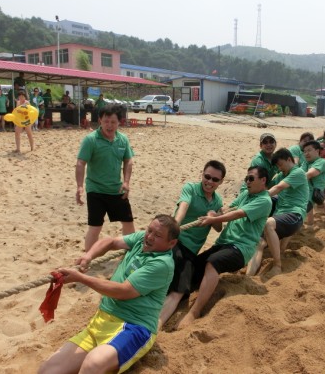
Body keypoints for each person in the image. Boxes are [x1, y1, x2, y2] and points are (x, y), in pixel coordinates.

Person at [38, 215, 179, 374]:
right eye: (149, 230)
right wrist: (89, 255)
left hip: (133, 326)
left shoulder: (162, 264)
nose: (150, 237)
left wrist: (81, 278)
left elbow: (123, 291)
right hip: (102, 320)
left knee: (93, 364)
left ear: (172, 243)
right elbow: (111, 242)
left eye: (158, 235)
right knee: (47, 370)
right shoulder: (142, 239)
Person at [177, 166, 272, 329]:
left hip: (240, 248)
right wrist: (215, 213)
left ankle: (195, 312)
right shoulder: (245, 195)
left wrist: (213, 220)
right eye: (246, 178)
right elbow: (227, 209)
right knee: (194, 267)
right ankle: (178, 299)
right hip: (223, 244)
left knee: (213, 262)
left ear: (263, 180)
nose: (247, 182)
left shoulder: (264, 200)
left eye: (251, 178)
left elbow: (238, 214)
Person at [158, 160, 225, 329]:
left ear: (221, 182)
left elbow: (218, 228)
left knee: (180, 291)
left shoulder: (218, 201)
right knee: (174, 288)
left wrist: (213, 217)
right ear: (202, 174)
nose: (209, 182)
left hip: (191, 253)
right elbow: (184, 206)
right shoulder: (191, 188)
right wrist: (175, 226)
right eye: (207, 176)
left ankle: (153, 326)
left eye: (215, 179)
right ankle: (153, 324)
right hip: (177, 242)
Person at [76, 104, 135, 252]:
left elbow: (128, 161)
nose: (109, 125)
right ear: (100, 121)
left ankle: (130, 254)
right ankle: (88, 257)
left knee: (128, 222)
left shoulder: (123, 139)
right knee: (95, 226)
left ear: (119, 122)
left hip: (117, 189)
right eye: (106, 121)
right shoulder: (91, 140)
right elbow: (81, 163)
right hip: (95, 189)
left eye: (113, 122)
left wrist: (126, 182)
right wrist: (80, 186)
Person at [247, 148, 309, 277]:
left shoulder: (298, 172)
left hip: (295, 215)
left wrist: (257, 200)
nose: (279, 168)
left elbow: (278, 187)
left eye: (280, 165)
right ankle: (248, 276)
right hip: (280, 214)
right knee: (259, 242)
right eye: (277, 166)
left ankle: (277, 265)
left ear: (289, 159)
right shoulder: (281, 175)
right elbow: (266, 187)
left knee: (268, 223)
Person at [302, 140, 325, 226]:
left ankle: (309, 225)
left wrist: (291, 181)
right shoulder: (306, 162)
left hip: (313, 193)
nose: (306, 153)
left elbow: (310, 174)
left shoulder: (321, 162)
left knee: (305, 206)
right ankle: (310, 224)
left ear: (317, 151)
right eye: (305, 151)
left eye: (309, 150)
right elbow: (299, 172)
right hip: (305, 191)